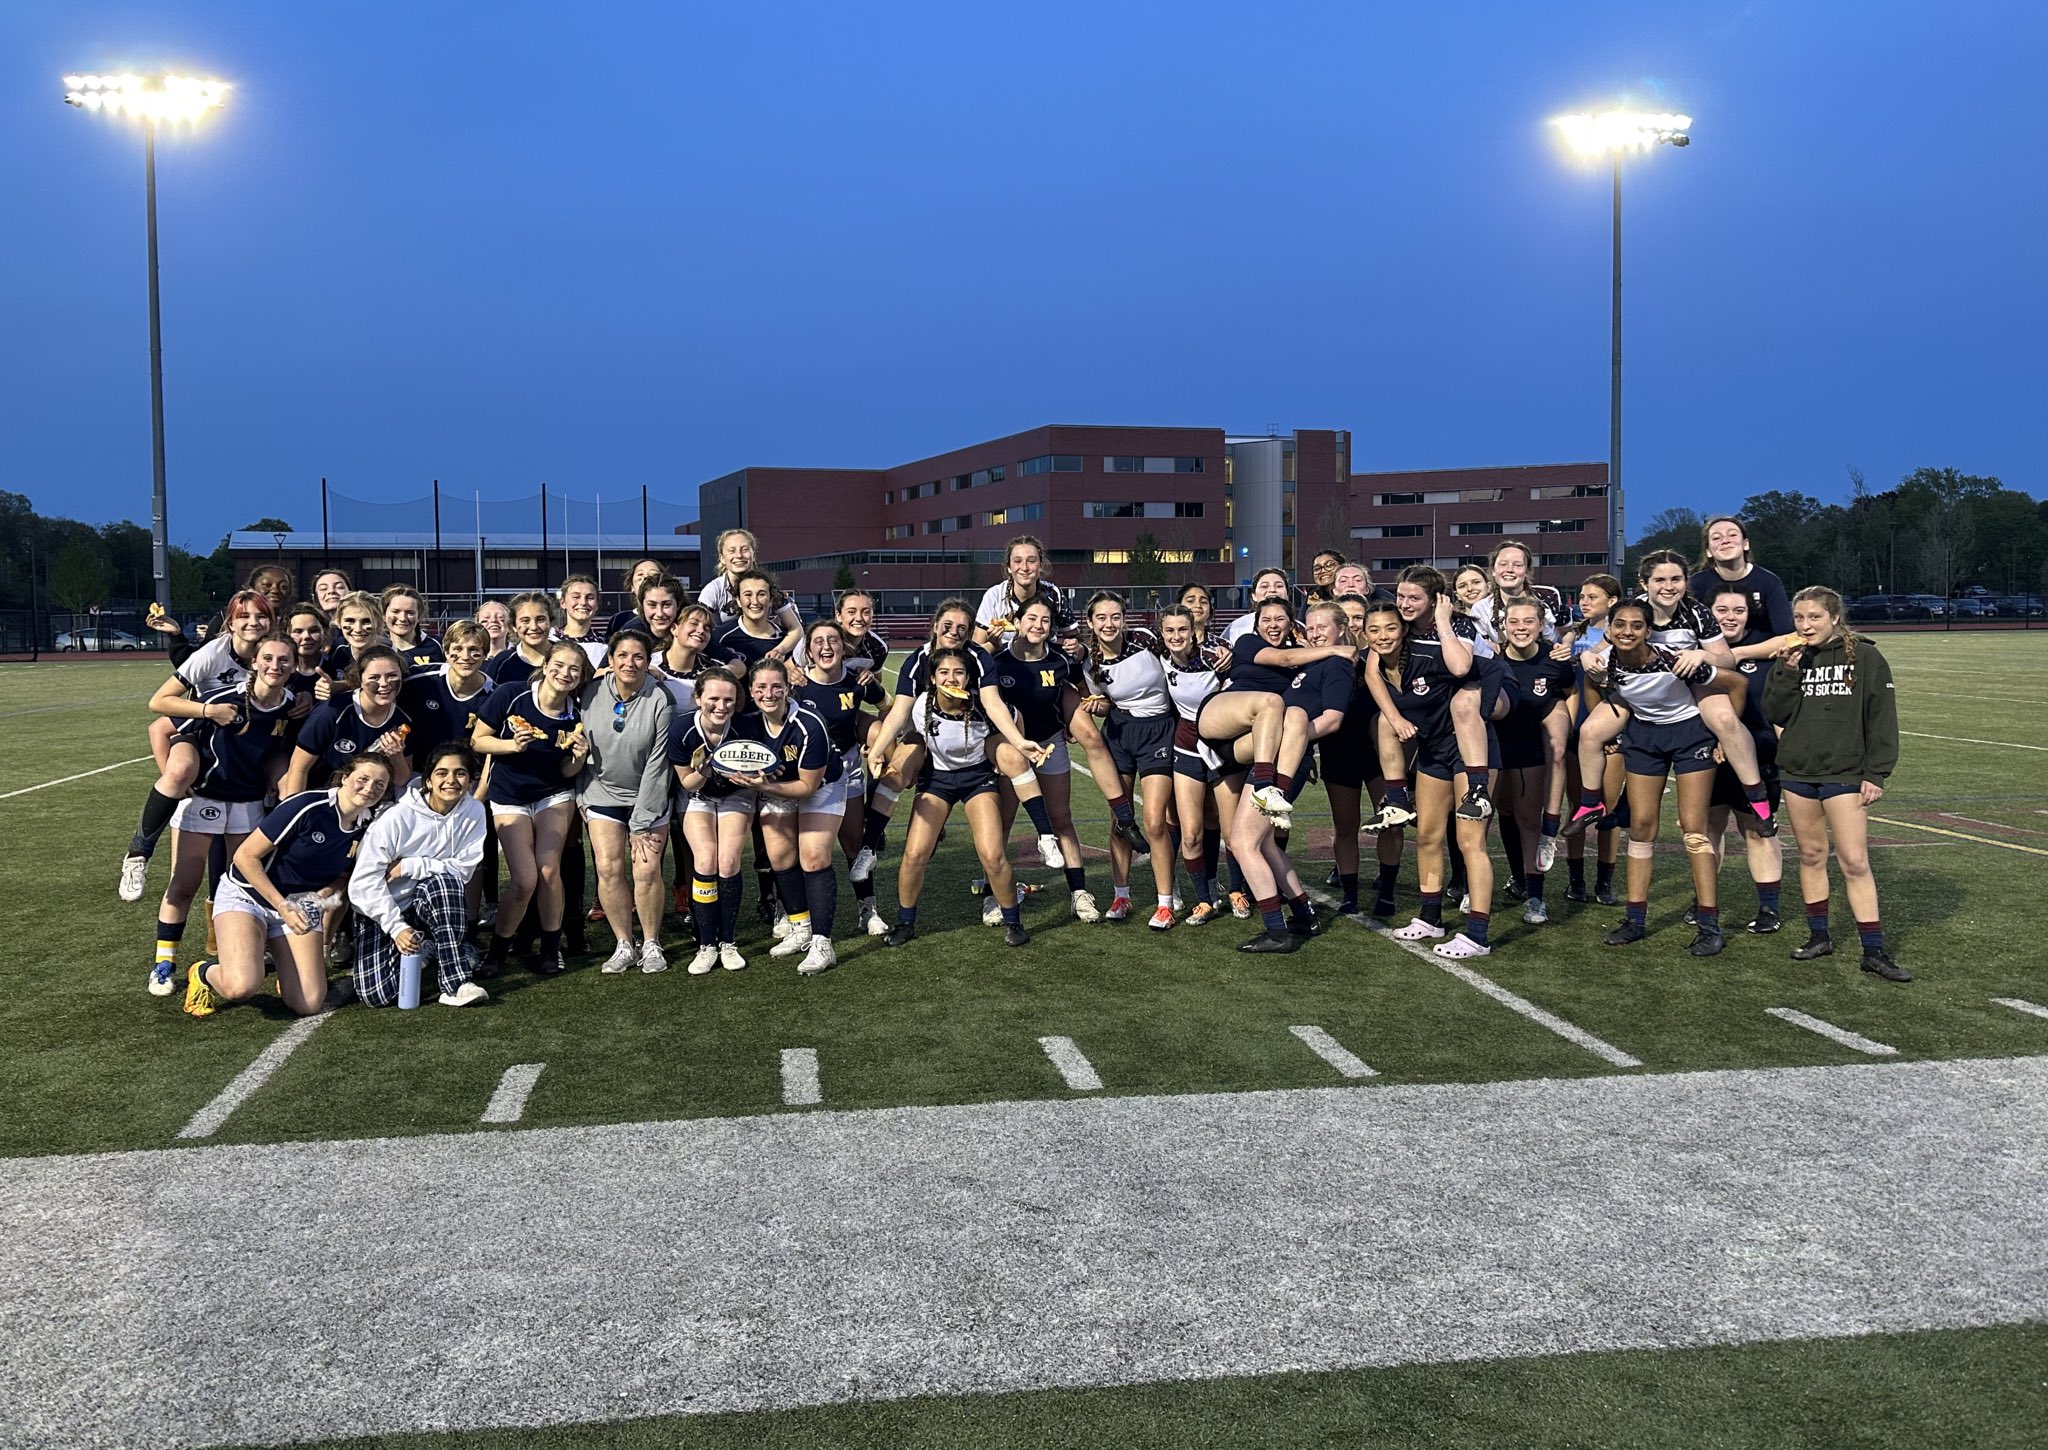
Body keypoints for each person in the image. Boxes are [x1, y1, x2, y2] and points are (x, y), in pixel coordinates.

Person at [1563, 550, 1776, 841]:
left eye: (1676, 579)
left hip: (1688, 684)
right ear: (1644, 583)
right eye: (1659, 579)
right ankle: (1591, 802)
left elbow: (1726, 660)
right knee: (1590, 732)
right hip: (1641, 686)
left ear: (1686, 581)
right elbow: (1606, 643)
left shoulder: (1695, 611)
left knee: (1725, 720)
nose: (1668, 586)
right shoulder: (1632, 609)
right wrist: (1589, 656)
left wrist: (1701, 655)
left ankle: (1757, 798)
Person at [1763, 586, 1910, 982]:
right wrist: (1787, 672)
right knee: (1811, 855)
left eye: (1814, 617)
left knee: (1855, 861)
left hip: (1845, 773)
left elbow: (1882, 717)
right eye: (1799, 618)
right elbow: (1774, 711)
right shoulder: (1792, 658)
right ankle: (1819, 936)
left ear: (1834, 618)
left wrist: (1876, 772)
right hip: (1798, 771)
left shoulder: (1867, 657)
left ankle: (1873, 951)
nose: (1806, 625)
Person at [182, 752, 393, 1019]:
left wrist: (320, 897)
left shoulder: (369, 827)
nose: (369, 788)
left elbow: (343, 876)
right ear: (344, 778)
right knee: (240, 986)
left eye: (379, 784)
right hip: (248, 896)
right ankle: (203, 971)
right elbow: (244, 857)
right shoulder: (307, 805)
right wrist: (282, 907)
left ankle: (285, 968)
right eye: (363, 779)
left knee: (308, 1003)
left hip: (297, 906)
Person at [145, 635, 301, 997]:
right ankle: (164, 964)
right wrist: (172, 773)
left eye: (283, 660)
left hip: (247, 804)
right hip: (204, 798)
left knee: (243, 886)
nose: (275, 666)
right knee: (184, 883)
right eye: (268, 658)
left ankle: (246, 954)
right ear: (255, 663)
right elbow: (162, 727)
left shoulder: (292, 706)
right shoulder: (223, 698)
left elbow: (279, 752)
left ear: (293, 666)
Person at [1585, 598, 1730, 957]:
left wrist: (1726, 736)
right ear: (1609, 628)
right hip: (1645, 738)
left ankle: (1709, 924)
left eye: (1637, 626)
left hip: (1690, 736)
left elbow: (1733, 682)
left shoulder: (1672, 658)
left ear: (1649, 630)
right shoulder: (1607, 661)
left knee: (1694, 828)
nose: (1627, 632)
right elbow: (1596, 689)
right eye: (1620, 624)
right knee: (1641, 827)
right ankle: (1635, 919)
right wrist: (1613, 729)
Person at [866, 649, 1032, 948]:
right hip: (937, 781)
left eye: (958, 673)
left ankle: (1013, 921)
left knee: (993, 855)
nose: (951, 678)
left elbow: (1015, 720)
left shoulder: (984, 703)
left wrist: (1008, 754)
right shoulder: (920, 706)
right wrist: (887, 757)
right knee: (915, 854)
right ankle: (906, 922)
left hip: (977, 779)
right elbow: (903, 734)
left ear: (969, 679)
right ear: (932, 678)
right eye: (943, 672)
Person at [118, 589, 276, 902]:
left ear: (272, 621)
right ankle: (137, 855)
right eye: (244, 616)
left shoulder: (274, 653)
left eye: (261, 615)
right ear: (230, 622)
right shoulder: (212, 654)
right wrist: (208, 711)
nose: (253, 622)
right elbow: (159, 702)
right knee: (180, 770)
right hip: (200, 730)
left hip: (243, 744)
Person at [471, 641, 592, 977]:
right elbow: (478, 740)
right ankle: (497, 951)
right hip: (509, 794)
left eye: (574, 670)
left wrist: (579, 757)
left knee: (549, 871)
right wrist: (512, 745)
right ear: (546, 664)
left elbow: (567, 772)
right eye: (559, 665)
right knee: (524, 880)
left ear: (581, 677)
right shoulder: (513, 694)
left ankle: (551, 951)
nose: (564, 674)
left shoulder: (577, 712)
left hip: (553, 793)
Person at [347, 742, 490, 1008]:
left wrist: (412, 865)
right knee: (379, 996)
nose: (451, 780)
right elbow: (362, 885)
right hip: (389, 909)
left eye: (460, 773)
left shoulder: (474, 811)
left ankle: (455, 983)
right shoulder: (396, 818)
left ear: (470, 781)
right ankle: (430, 944)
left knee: (445, 884)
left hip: (431, 900)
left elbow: (465, 869)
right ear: (427, 780)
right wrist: (397, 927)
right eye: (442, 773)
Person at [729, 657, 843, 976]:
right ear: (750, 691)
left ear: (788, 688)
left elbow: (807, 786)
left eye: (776, 686)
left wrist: (766, 785)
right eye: (761, 687)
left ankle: (823, 943)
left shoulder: (809, 723)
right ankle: (800, 927)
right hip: (776, 785)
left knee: (814, 857)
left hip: (823, 785)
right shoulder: (748, 723)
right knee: (779, 857)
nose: (769, 693)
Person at [577, 629, 677, 975]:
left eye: (638, 657)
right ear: (610, 660)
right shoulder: (589, 692)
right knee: (608, 867)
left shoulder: (661, 699)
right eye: (622, 655)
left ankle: (651, 942)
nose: (630, 663)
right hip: (601, 793)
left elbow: (658, 764)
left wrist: (641, 821)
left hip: (647, 797)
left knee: (647, 868)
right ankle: (624, 943)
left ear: (649, 663)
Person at [995, 598, 1098, 923]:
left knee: (1061, 818)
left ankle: (1079, 893)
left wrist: (1074, 719)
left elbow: (1084, 690)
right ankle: (993, 895)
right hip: (1013, 751)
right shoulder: (997, 662)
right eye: (1032, 618)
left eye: (1044, 620)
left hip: (1050, 744)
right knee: (1002, 822)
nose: (1038, 625)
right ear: (1018, 620)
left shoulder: (1060, 662)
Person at [1704, 582, 1791, 934]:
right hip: (1706, 755)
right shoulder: (1697, 648)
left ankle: (1769, 908)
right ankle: (1704, 901)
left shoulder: (1766, 648)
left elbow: (1781, 709)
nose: (1730, 617)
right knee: (1706, 830)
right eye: (1721, 610)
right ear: (1708, 614)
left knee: (1756, 830)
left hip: (1758, 754)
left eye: (1738, 611)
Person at [796, 618, 892, 936]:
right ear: (808, 651)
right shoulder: (795, 684)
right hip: (803, 774)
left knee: (853, 842)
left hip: (847, 770)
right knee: (798, 850)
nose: (826, 646)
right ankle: (791, 915)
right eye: (818, 641)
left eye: (833, 640)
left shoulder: (856, 681)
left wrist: (874, 735)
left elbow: (886, 707)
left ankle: (868, 909)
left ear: (843, 646)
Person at [1493, 599, 1574, 926]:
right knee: (1495, 817)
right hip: (1496, 749)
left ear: (1542, 625)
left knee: (1529, 822)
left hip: (1529, 750)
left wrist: (1569, 726)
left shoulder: (1554, 660)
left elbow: (1569, 691)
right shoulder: (1493, 658)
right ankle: (1473, 887)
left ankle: (1536, 898)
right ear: (1504, 626)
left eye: (1529, 621)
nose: (1521, 627)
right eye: (1514, 622)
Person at [669, 670, 753, 973]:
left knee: (728, 862)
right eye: (713, 698)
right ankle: (706, 944)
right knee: (704, 860)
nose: (721, 706)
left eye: (728, 699)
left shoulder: (744, 727)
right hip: (697, 796)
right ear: (698, 698)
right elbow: (689, 783)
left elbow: (757, 775)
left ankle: (728, 941)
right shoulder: (682, 729)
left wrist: (755, 776)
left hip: (735, 796)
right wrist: (711, 766)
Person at [284, 646, 416, 796]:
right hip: (323, 798)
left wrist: (396, 756)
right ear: (360, 679)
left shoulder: (403, 719)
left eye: (392, 675)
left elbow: (401, 780)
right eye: (374, 677)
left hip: (370, 803)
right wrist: (294, 809)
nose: (384, 683)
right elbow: (298, 769)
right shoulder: (332, 711)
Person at [699, 529, 803, 658]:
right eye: (732, 551)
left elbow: (796, 629)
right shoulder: (712, 590)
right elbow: (700, 630)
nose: (739, 555)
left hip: (766, 652)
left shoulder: (768, 587)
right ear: (722, 558)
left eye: (744, 549)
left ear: (753, 555)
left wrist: (779, 651)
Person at [1692, 515, 1794, 637]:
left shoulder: (1768, 582)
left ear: (1745, 544)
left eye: (1733, 535)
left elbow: (1786, 635)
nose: (1725, 541)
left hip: (1759, 654)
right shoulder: (1696, 584)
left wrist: (1736, 654)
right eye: (1716, 538)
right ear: (1708, 551)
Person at [972, 535, 1072, 654]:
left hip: (1045, 664)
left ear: (1041, 565)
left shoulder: (1053, 593)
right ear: (1009, 567)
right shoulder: (994, 596)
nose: (1024, 568)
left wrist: (1071, 646)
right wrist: (994, 645)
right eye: (1018, 561)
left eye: (1031, 561)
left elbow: (1074, 639)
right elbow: (977, 649)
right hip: (1004, 665)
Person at [706, 570, 791, 675]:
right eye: (748, 594)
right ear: (738, 600)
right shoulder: (719, 636)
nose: (755, 601)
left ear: (770, 600)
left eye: (761, 594)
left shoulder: (786, 640)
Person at [319, 591, 386, 689]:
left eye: (367, 621)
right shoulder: (338, 649)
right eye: (350, 621)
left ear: (379, 624)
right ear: (338, 622)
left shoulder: (389, 654)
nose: (358, 629)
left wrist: (338, 686)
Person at [485, 591, 555, 682]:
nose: (534, 627)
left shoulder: (569, 655)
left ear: (550, 622)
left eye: (540, 619)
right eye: (525, 621)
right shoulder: (502, 662)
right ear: (514, 626)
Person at [381, 585, 445, 676]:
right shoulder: (377, 650)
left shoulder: (439, 645)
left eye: (410, 613)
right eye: (395, 611)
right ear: (384, 615)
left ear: (418, 616)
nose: (403, 618)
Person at [1223, 569, 1292, 643]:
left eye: (1279, 586)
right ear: (1254, 595)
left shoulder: (1301, 628)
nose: (1272, 590)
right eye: (1264, 586)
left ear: (1287, 594)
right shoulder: (1236, 628)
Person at [557, 574, 608, 667]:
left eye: (590, 598)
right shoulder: (550, 640)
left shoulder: (605, 645)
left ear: (597, 605)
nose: (583, 602)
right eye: (576, 597)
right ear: (563, 602)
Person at [606, 558, 666, 636]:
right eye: (640, 575)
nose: (646, 579)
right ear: (632, 587)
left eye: (653, 575)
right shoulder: (619, 619)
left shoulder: (676, 616)